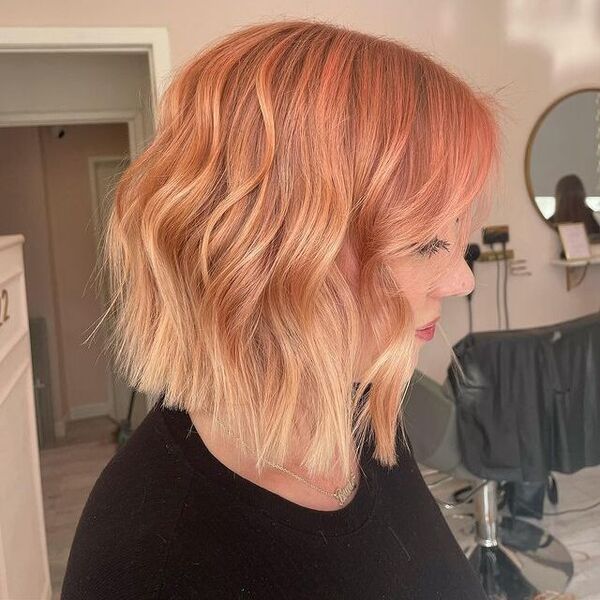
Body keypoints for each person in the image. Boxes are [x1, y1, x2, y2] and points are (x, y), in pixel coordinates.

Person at [61, 18, 501, 599]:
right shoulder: (151, 563)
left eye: (459, 238)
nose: (462, 279)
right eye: (425, 242)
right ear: (273, 254)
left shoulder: (359, 407)